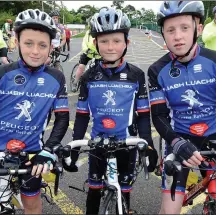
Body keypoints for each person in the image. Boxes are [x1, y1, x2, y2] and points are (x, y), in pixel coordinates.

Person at [148, 1, 216, 214]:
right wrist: (177, 143)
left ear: (199, 28)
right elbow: (158, 116)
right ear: (163, 34)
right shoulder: (156, 70)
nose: (177, 36)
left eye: (184, 28)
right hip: (177, 142)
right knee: (169, 212)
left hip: (212, 139)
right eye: (170, 30)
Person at [0, 9, 69, 214]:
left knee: (32, 206)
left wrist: (49, 150)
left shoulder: (57, 78)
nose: (35, 51)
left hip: (33, 156)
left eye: (42, 45)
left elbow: (62, 119)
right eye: (28, 43)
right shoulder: (2, 73)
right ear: (16, 41)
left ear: (51, 46)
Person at [63, 7, 158, 214]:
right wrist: (75, 148)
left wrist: (148, 146)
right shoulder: (89, 76)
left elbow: (143, 115)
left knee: (124, 192)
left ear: (127, 43)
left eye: (116, 41)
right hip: (98, 143)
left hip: (127, 144)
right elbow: (81, 115)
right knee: (94, 192)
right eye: (104, 41)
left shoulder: (136, 75)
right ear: (95, 43)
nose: (110, 47)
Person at [71, 26, 102, 92]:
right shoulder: (88, 33)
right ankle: (75, 82)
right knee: (81, 66)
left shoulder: (101, 33)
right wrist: (86, 49)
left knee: (100, 69)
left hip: (98, 55)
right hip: (88, 52)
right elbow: (84, 42)